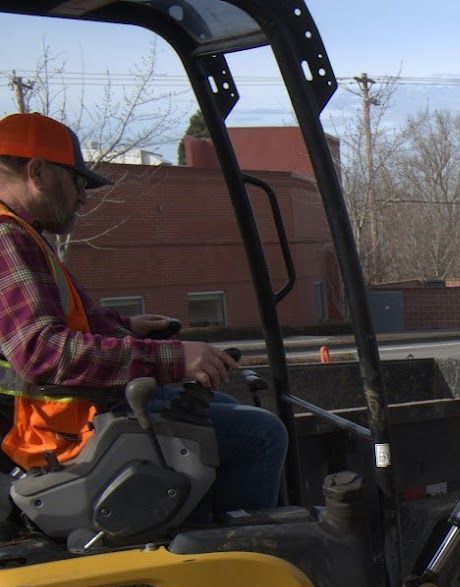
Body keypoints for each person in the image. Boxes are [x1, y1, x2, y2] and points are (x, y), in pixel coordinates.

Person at [0, 111, 285, 516]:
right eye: (77, 181)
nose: (82, 197)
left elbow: (56, 322)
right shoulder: (7, 238)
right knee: (262, 434)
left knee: (221, 404)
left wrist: (126, 326)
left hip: (70, 416)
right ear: (38, 171)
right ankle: (233, 552)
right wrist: (175, 359)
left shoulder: (22, 234)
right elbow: (43, 351)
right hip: (59, 436)